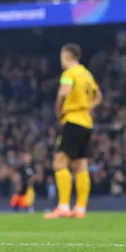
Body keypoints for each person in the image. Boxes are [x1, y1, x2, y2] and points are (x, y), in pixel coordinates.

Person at [44, 43, 101, 220]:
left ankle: (63, 206)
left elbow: (63, 93)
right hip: (86, 122)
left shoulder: (70, 74)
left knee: (60, 162)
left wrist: (59, 109)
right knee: (80, 164)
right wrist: (87, 107)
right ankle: (80, 208)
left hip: (72, 121)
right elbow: (98, 96)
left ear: (67, 56)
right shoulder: (86, 74)